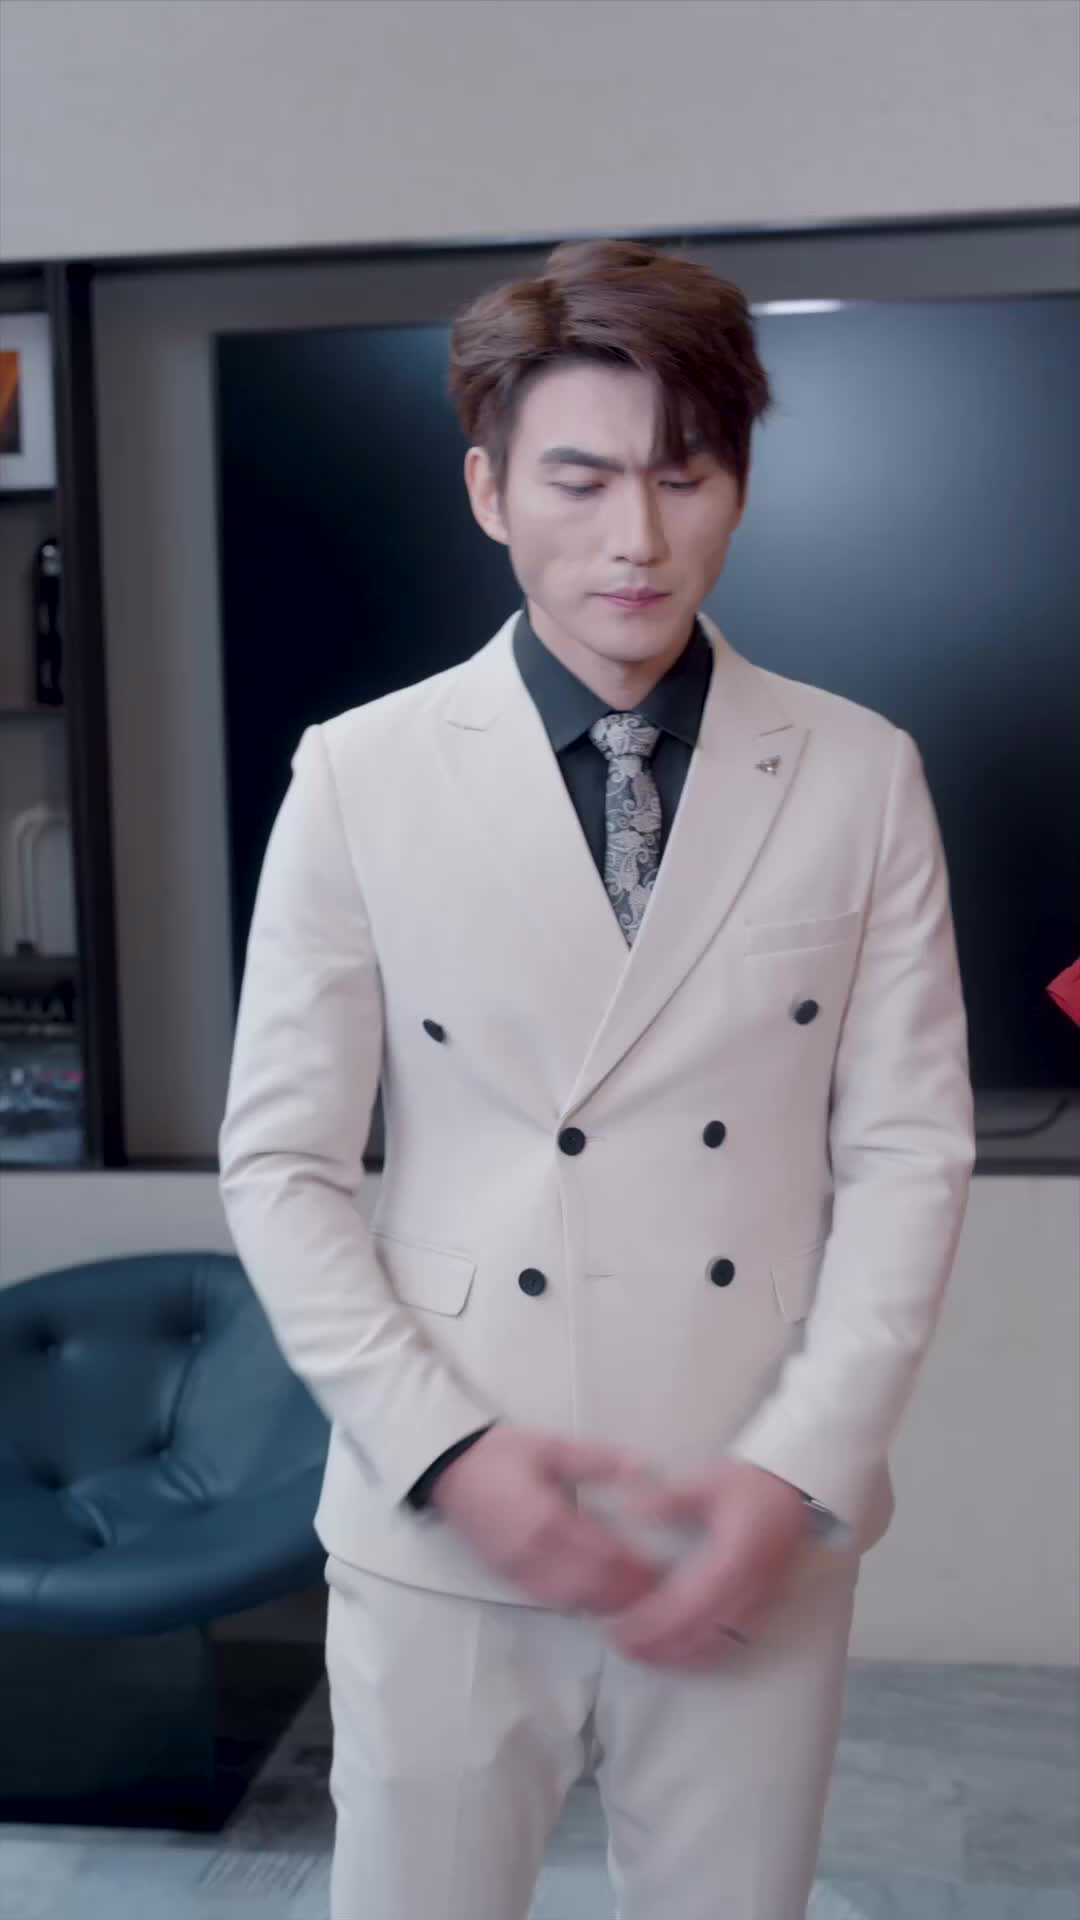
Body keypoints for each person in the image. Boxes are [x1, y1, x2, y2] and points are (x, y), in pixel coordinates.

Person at [218, 238, 975, 1920]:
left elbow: (911, 1154)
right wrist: (449, 1452)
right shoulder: (360, 774)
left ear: (740, 488)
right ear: (490, 491)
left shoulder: (858, 773)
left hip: (745, 1508)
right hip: (446, 1511)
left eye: (682, 477)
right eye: (579, 479)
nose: (635, 537)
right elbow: (279, 1166)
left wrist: (797, 1469)